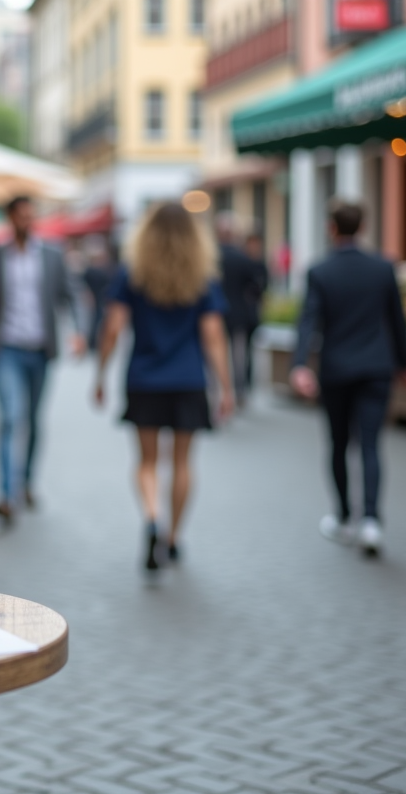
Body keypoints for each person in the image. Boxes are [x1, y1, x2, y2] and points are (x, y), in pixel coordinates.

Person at [94, 202, 234, 575]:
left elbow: (113, 327)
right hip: (189, 379)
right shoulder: (202, 275)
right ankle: (173, 538)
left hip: (144, 378)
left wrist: (100, 374)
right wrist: (227, 386)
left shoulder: (133, 272)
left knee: (147, 462)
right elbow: (214, 335)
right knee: (184, 463)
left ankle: (152, 518)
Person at [289, 200, 406, 558]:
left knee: (339, 444)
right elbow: (396, 320)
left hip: (337, 370)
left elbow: (308, 321)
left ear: (331, 227)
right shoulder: (382, 268)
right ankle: (372, 520)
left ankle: (344, 516)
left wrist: (300, 365)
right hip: (377, 368)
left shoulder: (320, 270)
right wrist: (403, 364)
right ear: (363, 227)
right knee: (372, 446)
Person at [0, 196, 85, 525]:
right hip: (5, 350)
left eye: (32, 216)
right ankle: (5, 494)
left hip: (40, 351)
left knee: (32, 420)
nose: (27, 221)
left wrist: (80, 330)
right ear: (10, 218)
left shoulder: (53, 255)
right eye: (21, 216)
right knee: (9, 418)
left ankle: (27, 481)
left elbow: (72, 294)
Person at [215, 214, 267, 407]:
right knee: (238, 355)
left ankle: (217, 391)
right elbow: (256, 285)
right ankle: (239, 392)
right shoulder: (242, 257)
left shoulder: (211, 256)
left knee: (216, 352)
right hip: (238, 313)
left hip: (216, 315)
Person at [81, 236, 118, 352]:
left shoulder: (95, 269)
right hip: (97, 298)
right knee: (96, 320)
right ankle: (93, 341)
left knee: (98, 320)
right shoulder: (95, 270)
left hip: (100, 298)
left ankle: (94, 341)